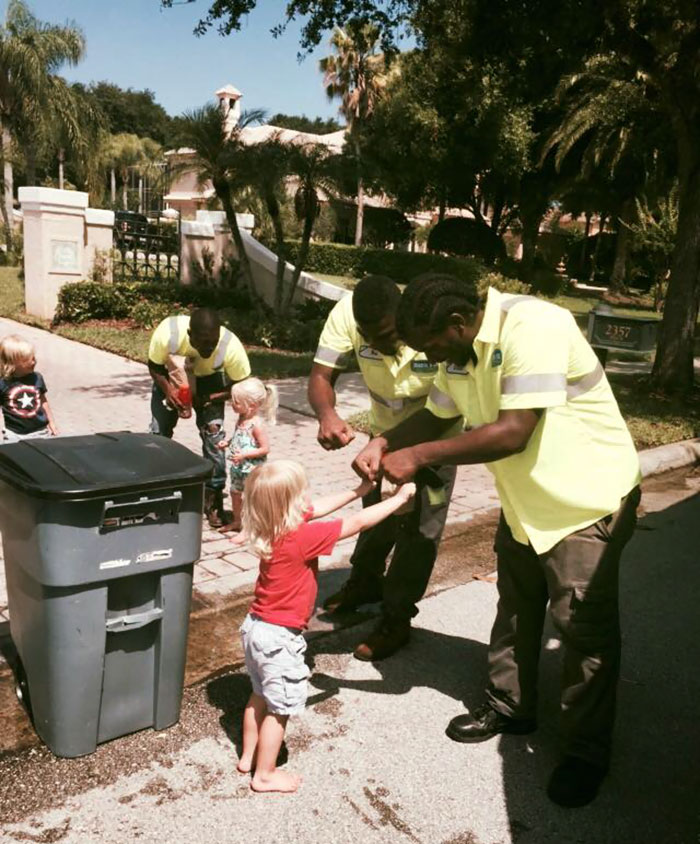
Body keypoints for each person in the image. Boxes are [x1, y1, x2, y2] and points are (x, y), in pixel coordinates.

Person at [353, 274, 641, 809]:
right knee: (515, 607)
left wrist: (417, 458)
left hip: (586, 502)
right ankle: (511, 706)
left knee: (583, 632)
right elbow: (439, 413)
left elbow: (514, 431)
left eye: (431, 346)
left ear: (458, 324)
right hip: (527, 506)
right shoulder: (456, 353)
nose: (426, 356)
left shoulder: (534, 327)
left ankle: (585, 752)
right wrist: (385, 440)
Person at [237, 459, 415, 793]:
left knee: (258, 695)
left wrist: (360, 490)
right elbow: (360, 522)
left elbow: (318, 507)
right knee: (280, 707)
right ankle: (264, 774)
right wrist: (400, 498)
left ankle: (248, 756)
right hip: (279, 637)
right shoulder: (301, 536)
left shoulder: (271, 524)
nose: (308, 500)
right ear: (291, 504)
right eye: (302, 494)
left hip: (255, 628)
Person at [308, 276, 460, 661]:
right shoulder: (347, 314)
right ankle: (364, 584)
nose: (378, 344)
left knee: (420, 531)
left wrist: (402, 448)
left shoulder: (429, 328)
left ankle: (396, 618)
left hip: (434, 441)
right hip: (380, 438)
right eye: (369, 337)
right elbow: (322, 375)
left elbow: (444, 409)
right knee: (375, 516)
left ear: (405, 317)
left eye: (389, 335)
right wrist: (327, 414)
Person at [147, 308, 250, 527]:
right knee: (159, 434)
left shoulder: (230, 345)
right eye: (203, 342)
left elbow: (243, 383)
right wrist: (168, 391)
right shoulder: (168, 332)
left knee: (214, 437)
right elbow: (154, 365)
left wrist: (210, 397)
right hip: (172, 377)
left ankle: (213, 499)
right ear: (189, 333)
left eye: (212, 342)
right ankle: (156, 491)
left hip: (210, 382)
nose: (208, 348)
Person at [217, 377, 279, 533]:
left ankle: (251, 528)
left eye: (236, 402)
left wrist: (244, 454)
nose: (232, 404)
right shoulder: (242, 419)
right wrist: (229, 442)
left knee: (251, 498)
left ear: (252, 405)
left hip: (251, 470)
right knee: (235, 494)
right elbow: (240, 437)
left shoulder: (257, 425)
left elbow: (265, 449)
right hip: (238, 468)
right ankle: (238, 522)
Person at [0, 334, 58, 442]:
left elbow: (43, 401)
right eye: (28, 360)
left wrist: (52, 423)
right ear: (13, 363)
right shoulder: (3, 383)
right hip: (14, 435)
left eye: (34, 358)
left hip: (40, 431)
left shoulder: (37, 378)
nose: (34, 362)